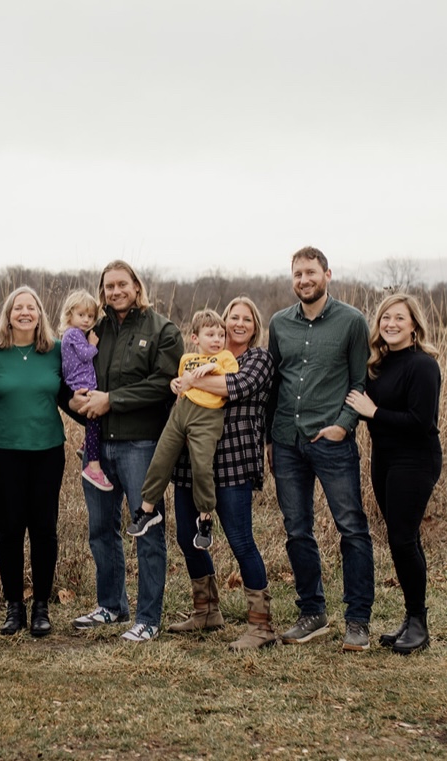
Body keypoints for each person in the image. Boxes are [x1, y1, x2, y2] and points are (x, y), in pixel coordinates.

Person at [266, 246, 375, 651]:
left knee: (352, 528)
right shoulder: (279, 324)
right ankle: (312, 613)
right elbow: (273, 385)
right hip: (287, 441)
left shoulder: (351, 322)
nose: (303, 280)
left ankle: (358, 621)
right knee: (297, 531)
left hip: (331, 442)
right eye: (297, 274)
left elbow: (360, 381)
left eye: (311, 272)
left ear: (327, 274)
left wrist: (343, 428)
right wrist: (269, 440)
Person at [70, 260, 183, 642]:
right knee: (101, 529)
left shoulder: (162, 330)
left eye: (122, 284)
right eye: (108, 287)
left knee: (147, 530)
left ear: (136, 286)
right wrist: (75, 402)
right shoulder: (95, 331)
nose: (115, 292)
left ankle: (148, 617)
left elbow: (165, 384)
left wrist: (112, 400)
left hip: (142, 446)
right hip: (97, 447)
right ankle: (111, 606)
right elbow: (74, 374)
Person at [168, 297, 281, 650]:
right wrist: (185, 380)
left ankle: (261, 626)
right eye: (234, 317)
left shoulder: (257, 360)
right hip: (194, 462)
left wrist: (189, 381)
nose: (239, 323)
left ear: (255, 326)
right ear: (222, 321)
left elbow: (233, 388)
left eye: (247, 319)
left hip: (234, 460)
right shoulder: (204, 356)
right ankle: (206, 610)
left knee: (240, 540)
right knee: (187, 536)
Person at [345, 293, 442, 654]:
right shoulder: (379, 366)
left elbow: (421, 423)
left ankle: (419, 623)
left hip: (416, 460)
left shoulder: (423, 366)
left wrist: (374, 412)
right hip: (385, 460)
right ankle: (411, 619)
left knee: (403, 540)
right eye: (386, 318)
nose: (391, 324)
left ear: (414, 324)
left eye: (399, 318)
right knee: (403, 539)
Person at [0, 286, 66, 638]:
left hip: (47, 451)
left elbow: (74, 395)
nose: (25, 312)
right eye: (19, 307)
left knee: (44, 529)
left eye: (32, 307)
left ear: (41, 314)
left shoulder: (57, 352)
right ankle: (14, 606)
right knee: (10, 529)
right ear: (9, 314)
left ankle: (41, 607)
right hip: (3, 452)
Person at [128, 309, 238, 550]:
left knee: (201, 466)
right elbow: (180, 384)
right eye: (211, 334)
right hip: (180, 413)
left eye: (221, 334)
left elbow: (231, 376)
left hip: (206, 417)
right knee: (161, 459)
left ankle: (206, 517)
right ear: (195, 338)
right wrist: (174, 383)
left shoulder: (225, 357)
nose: (217, 339)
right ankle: (147, 509)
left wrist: (210, 368)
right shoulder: (186, 359)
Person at [59, 289, 112, 492]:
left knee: (95, 421)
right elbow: (85, 355)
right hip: (81, 383)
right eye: (81, 315)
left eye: (91, 316)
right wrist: (93, 344)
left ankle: (86, 445)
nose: (87, 320)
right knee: (95, 417)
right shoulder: (73, 334)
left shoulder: (74, 333)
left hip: (81, 380)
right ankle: (93, 466)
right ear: (69, 314)